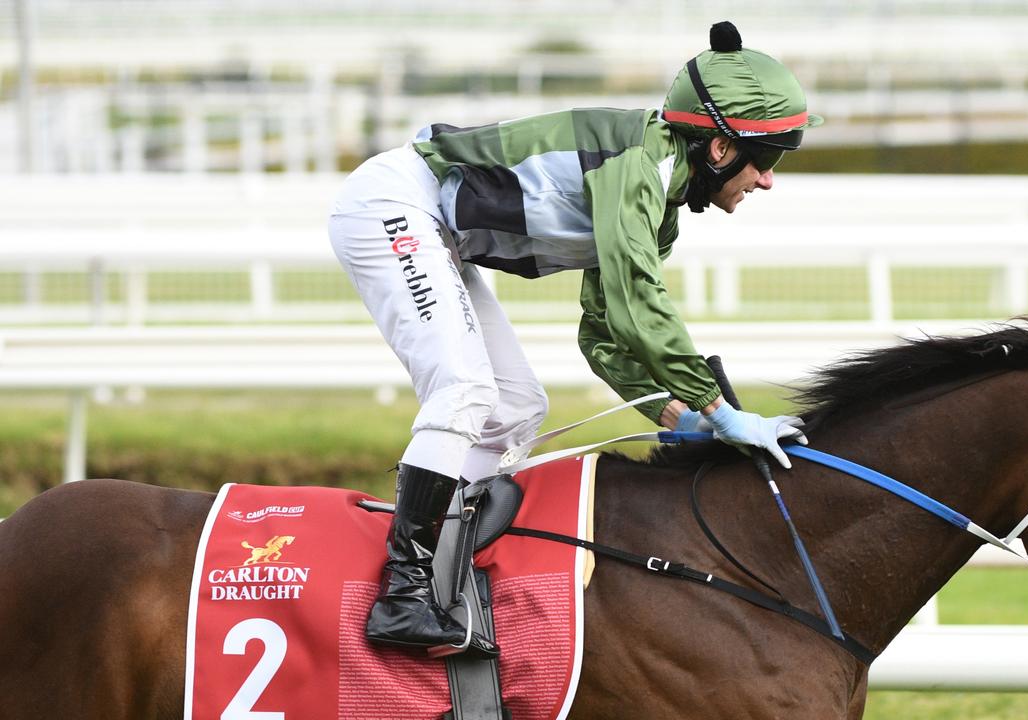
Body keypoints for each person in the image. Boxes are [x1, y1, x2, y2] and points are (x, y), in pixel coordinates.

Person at [328, 21, 818, 655]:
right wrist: (719, 409)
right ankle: (403, 594)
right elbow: (641, 304)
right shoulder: (638, 167)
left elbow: (605, 332)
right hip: (393, 205)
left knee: (517, 407)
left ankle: (444, 573)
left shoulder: (657, 206)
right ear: (720, 148)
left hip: (435, 230)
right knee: (465, 390)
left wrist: (677, 415)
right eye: (768, 158)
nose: (768, 180)